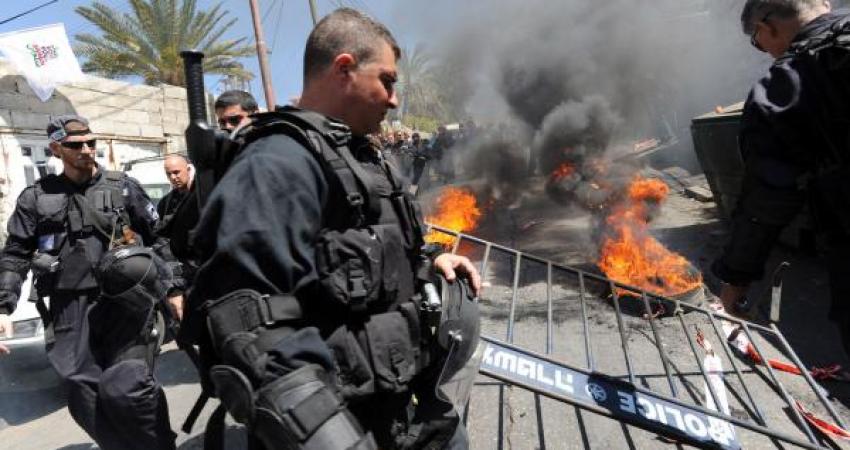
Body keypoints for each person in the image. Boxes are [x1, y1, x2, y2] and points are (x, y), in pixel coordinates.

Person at [187, 8, 481, 449]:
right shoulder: (277, 163)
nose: (394, 98)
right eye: (387, 80)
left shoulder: (359, 154)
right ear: (345, 69)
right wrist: (326, 434)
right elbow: (246, 323)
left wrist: (432, 257)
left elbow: (388, 240)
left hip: (405, 407)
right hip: (343, 423)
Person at [0, 115, 178, 449]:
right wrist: (2, 308)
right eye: (75, 145)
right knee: (84, 395)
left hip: (125, 303)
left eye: (90, 143)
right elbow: (15, 253)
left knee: (129, 387)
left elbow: (160, 239)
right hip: (70, 309)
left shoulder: (123, 186)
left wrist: (176, 289)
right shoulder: (35, 198)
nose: (86, 150)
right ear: (56, 149)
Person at [713, 0, 850, 349]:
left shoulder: (786, 86)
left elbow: (768, 198)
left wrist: (735, 279)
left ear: (767, 26)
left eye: (757, 41)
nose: (764, 51)